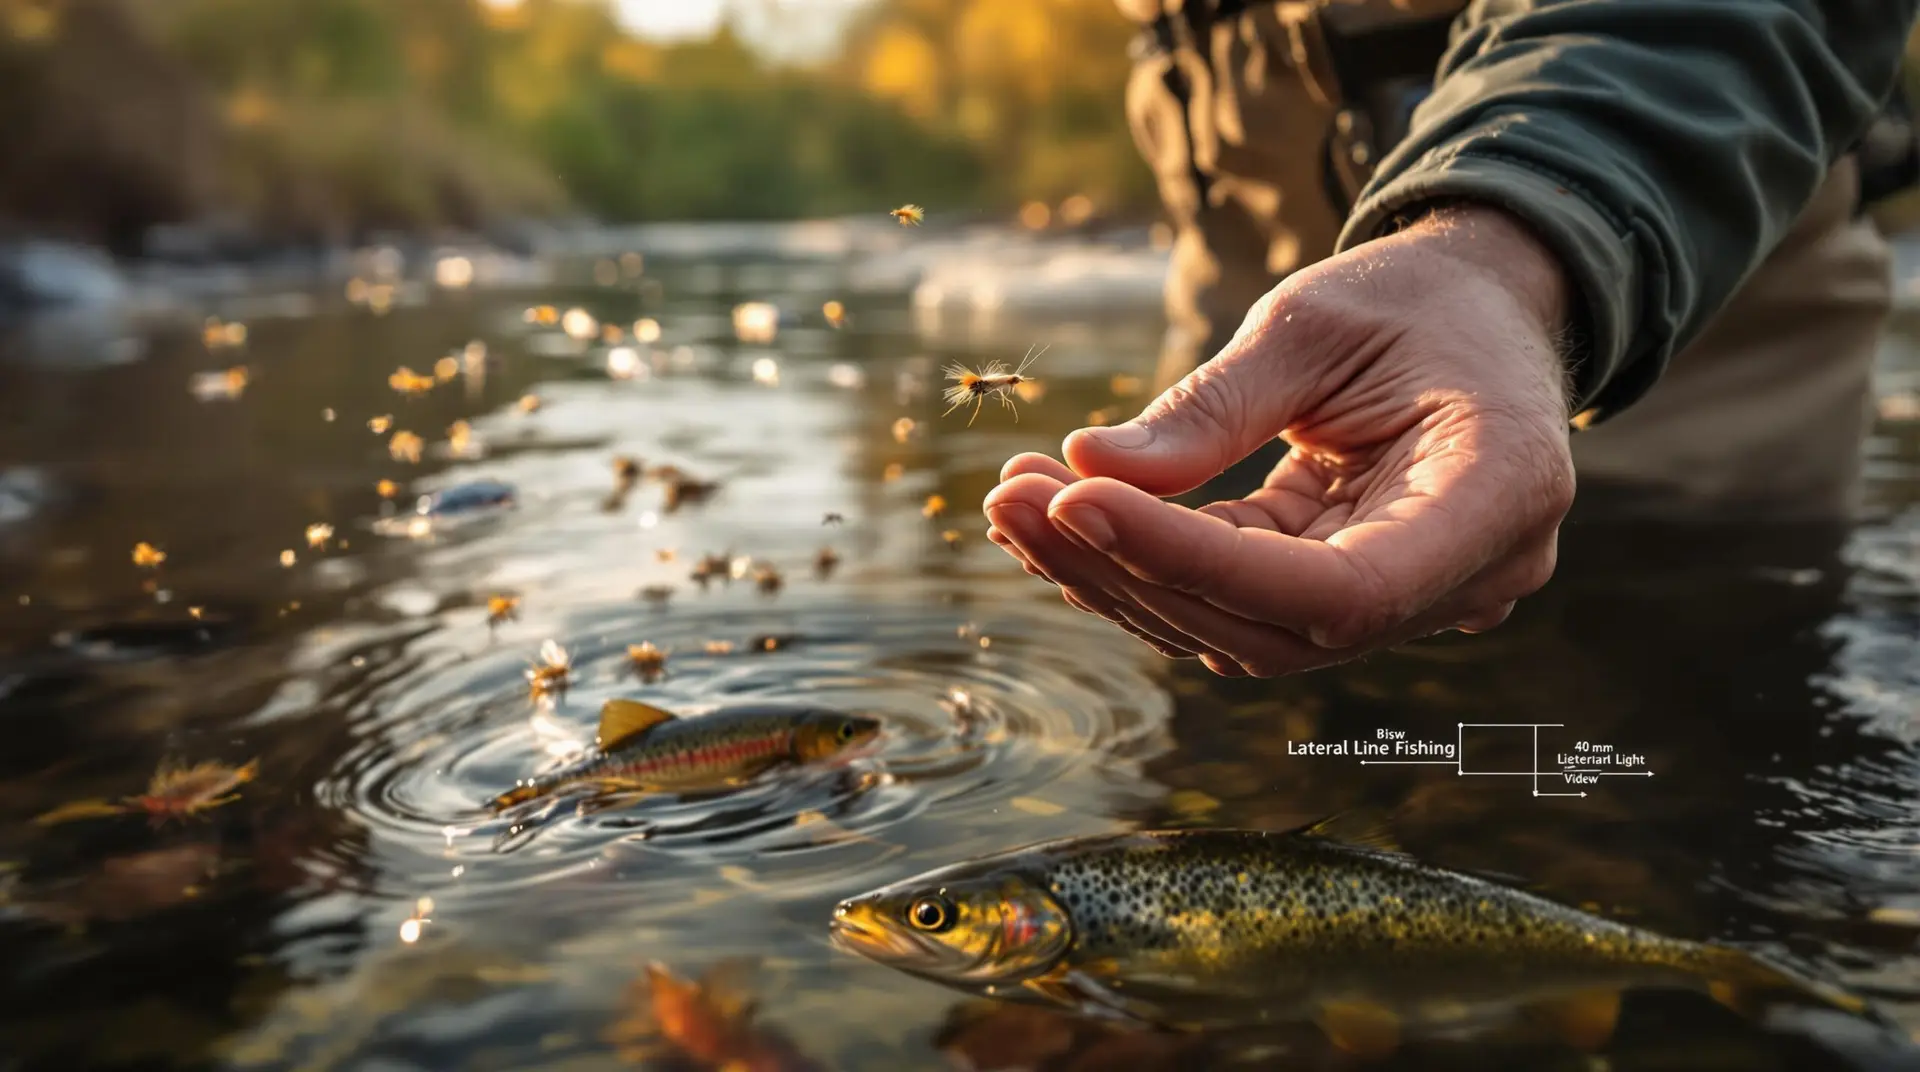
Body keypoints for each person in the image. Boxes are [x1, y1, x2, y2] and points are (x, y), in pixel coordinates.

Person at [983, 0, 1920, 678]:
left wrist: (1507, 251)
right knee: (1239, 799)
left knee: (1652, 809)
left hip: (1667, 268)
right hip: (1239, 222)